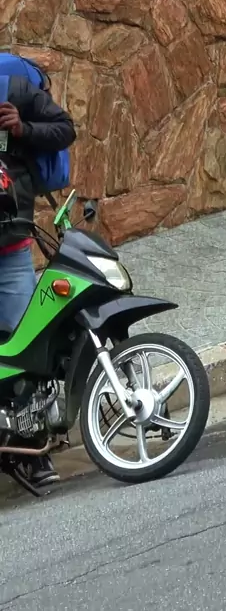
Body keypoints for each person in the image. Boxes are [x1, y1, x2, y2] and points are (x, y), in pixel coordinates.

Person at [0, 58, 76, 485]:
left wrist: (22, 129)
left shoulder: (12, 88)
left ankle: (32, 452)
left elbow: (65, 129)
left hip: (11, 250)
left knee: (26, 352)